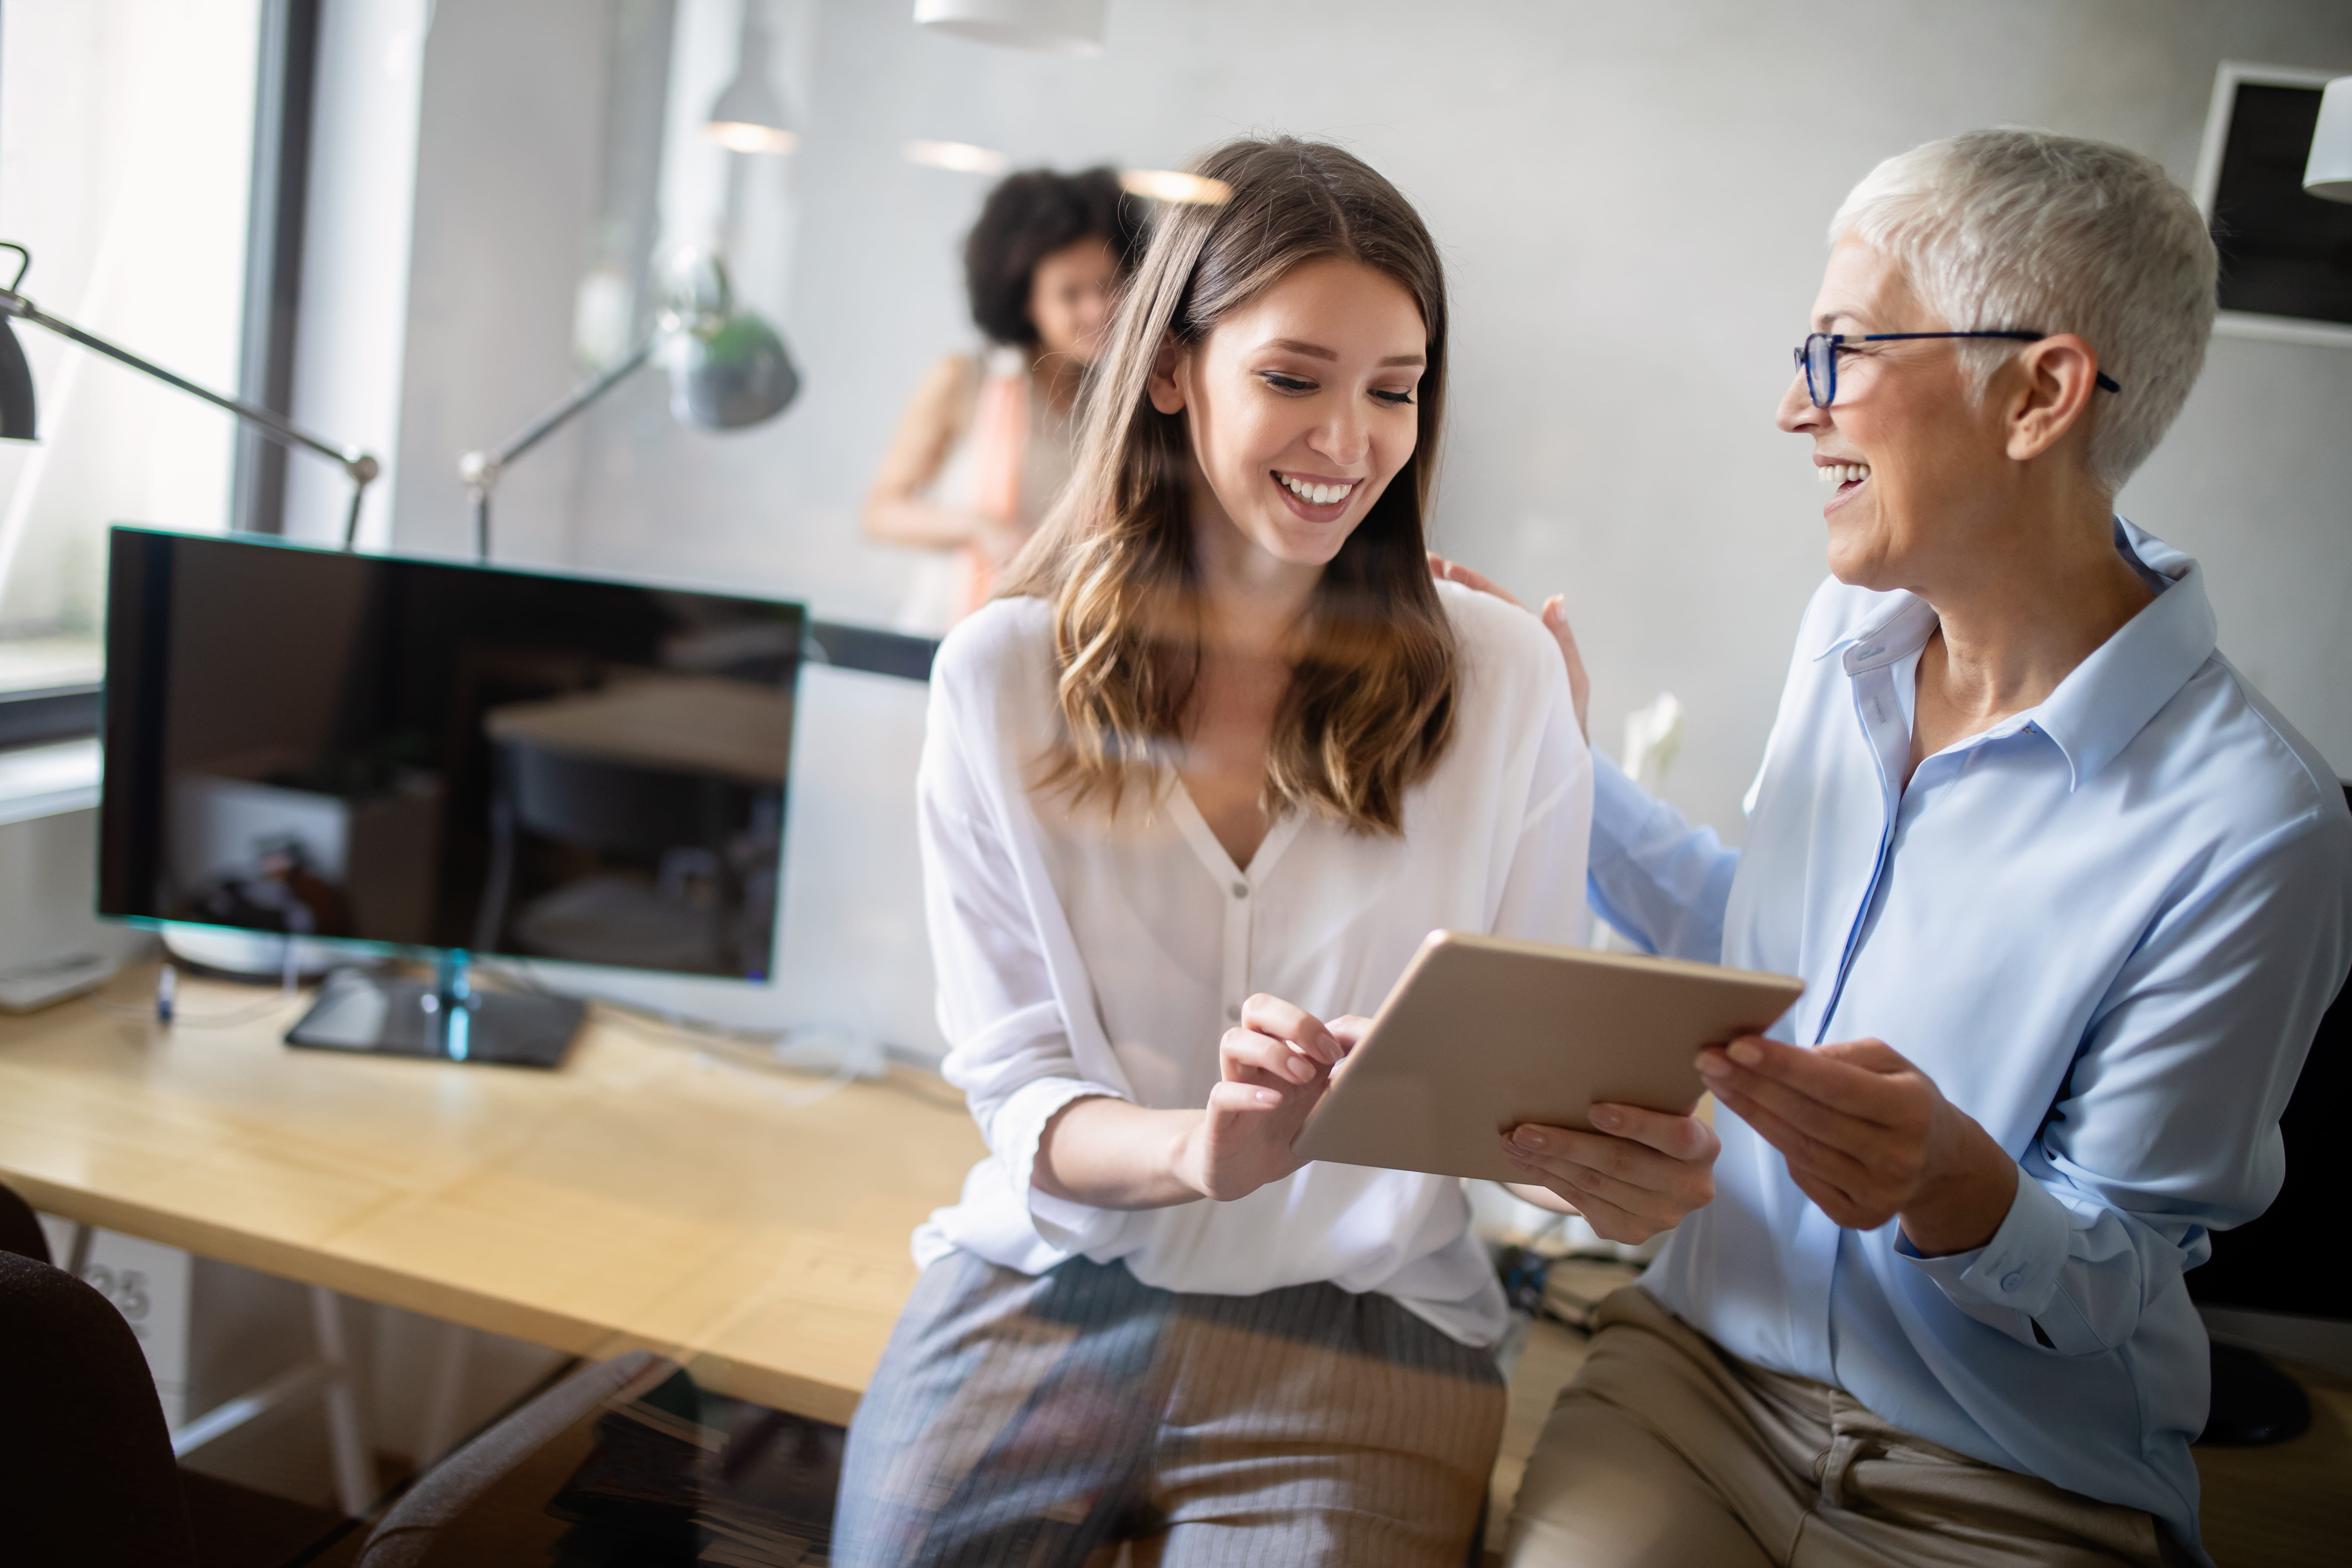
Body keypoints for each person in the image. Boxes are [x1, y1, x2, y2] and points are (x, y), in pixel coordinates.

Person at [1439, 128, 2352, 1567]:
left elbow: (2115, 1270)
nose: (1790, 410)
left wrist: (1951, 1185)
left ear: (2038, 391)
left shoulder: (2256, 827)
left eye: (1836, 353)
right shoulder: (1845, 640)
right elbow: (1759, 960)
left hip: (2009, 1472)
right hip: (1697, 1382)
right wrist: (1545, 756)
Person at [833, 137, 1600, 1566]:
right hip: (1053, 1277)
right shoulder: (999, 676)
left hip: (1366, 1317)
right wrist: (1198, 1147)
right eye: (1292, 377)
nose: (1347, 440)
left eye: (1393, 389)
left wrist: (1604, 1160)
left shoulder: (1502, 679)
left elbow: (1525, 1095)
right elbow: (1018, 1091)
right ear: (1173, 366)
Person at [864, 166, 1142, 630]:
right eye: (1069, 295)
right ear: (1026, 301)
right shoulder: (963, 379)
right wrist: (978, 529)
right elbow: (881, 512)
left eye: (1108, 286)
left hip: (1056, 642)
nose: (1097, 311)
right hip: (950, 633)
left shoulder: (1119, 404)